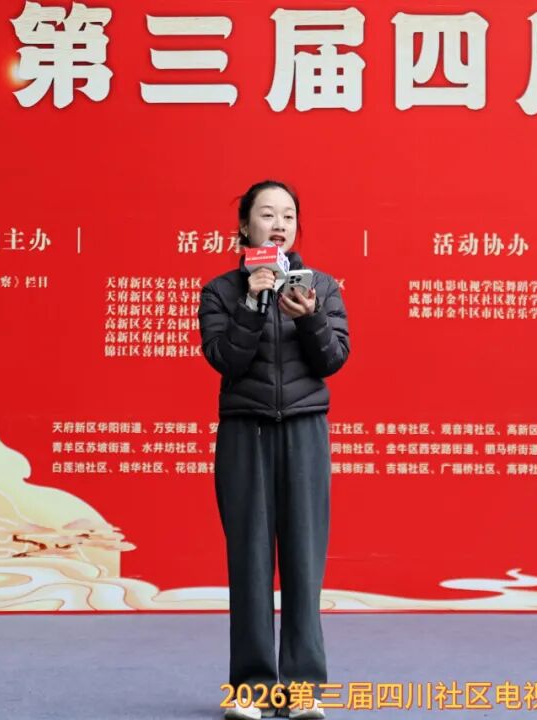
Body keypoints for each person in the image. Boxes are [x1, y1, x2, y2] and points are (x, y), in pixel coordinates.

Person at [198, 180, 349, 720]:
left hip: (305, 431)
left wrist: (309, 316)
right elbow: (226, 360)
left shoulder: (322, 287)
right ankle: (253, 690)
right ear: (245, 226)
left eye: (288, 215)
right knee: (250, 563)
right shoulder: (220, 291)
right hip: (245, 433)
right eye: (267, 214)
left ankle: (304, 688)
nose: (279, 224)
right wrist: (252, 303)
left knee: (304, 564)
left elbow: (332, 359)